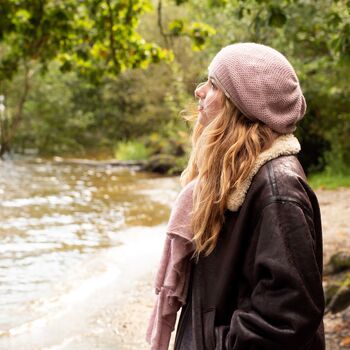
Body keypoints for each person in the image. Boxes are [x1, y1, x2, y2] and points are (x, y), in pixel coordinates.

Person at [146, 42, 325, 350]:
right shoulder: (232, 177)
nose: (200, 91)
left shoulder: (278, 189)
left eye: (214, 84)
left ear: (240, 104)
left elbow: (287, 316)